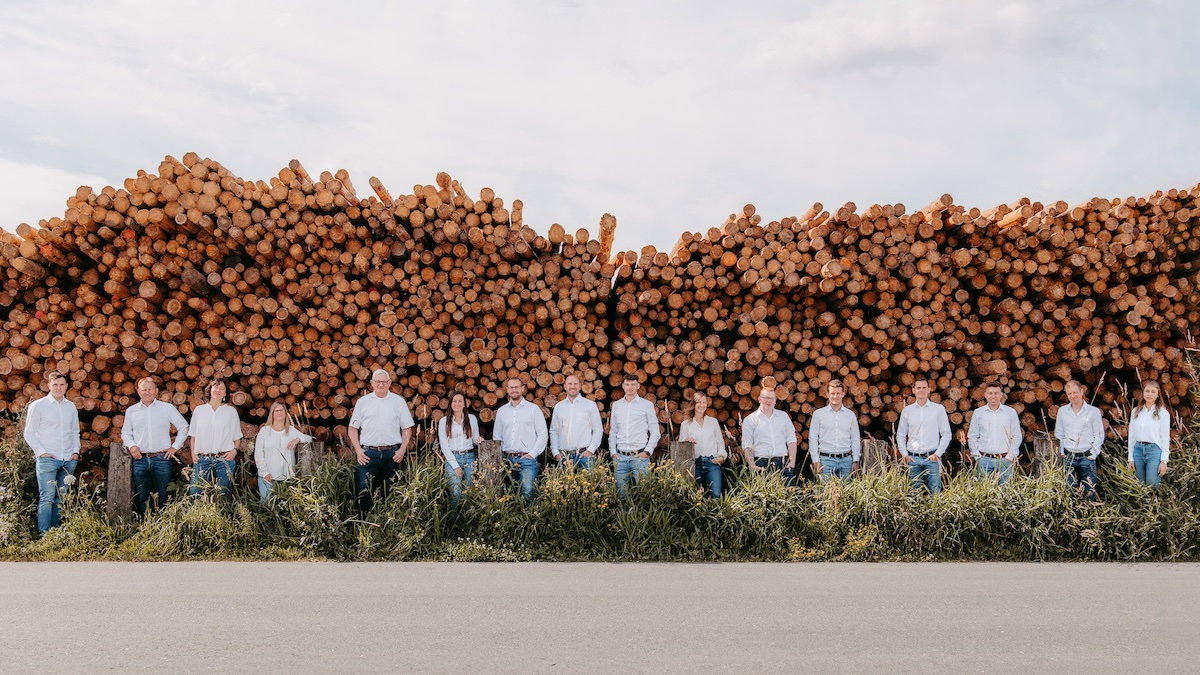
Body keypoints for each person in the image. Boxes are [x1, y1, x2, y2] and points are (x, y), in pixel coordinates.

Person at [348, 369, 416, 513]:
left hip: (392, 454)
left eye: (384, 382)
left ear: (389, 383)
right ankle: (363, 528)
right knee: (363, 491)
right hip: (367, 455)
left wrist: (402, 449)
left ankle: (388, 528)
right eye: (377, 382)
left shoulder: (398, 402)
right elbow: (352, 428)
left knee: (390, 492)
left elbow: (407, 428)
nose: (381, 385)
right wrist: (358, 450)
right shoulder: (363, 402)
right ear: (372, 383)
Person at [24, 370, 80, 534]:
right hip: (48, 459)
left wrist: (75, 452)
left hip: (68, 459)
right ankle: (44, 535)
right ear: (49, 386)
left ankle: (56, 534)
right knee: (47, 498)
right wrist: (42, 452)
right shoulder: (39, 406)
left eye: (62, 385)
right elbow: (29, 433)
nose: (58, 388)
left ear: (66, 386)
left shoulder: (70, 407)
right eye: (55, 385)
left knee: (61, 498)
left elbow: (74, 432)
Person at [121, 377, 188, 515]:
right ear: (138, 391)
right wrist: (132, 446)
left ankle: (162, 525)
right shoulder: (131, 411)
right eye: (144, 389)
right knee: (142, 495)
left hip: (161, 458)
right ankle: (146, 525)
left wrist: (175, 447)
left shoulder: (167, 409)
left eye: (150, 389)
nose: (147, 392)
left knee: (162, 494)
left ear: (156, 391)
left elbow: (184, 427)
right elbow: (126, 433)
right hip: (140, 459)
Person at [492, 378, 548, 505]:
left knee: (528, 493)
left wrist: (532, 455)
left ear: (522, 389)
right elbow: (497, 437)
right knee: (509, 494)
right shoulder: (502, 411)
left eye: (517, 387)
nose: (514, 390)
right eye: (511, 387)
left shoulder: (533, 409)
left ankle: (529, 523)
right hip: (507, 460)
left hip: (526, 460)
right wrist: (500, 458)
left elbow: (543, 434)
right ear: (507, 390)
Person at [188, 379, 243, 498]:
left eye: (222, 389)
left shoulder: (231, 412)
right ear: (210, 390)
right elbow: (193, 435)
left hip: (224, 460)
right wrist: (193, 453)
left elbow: (237, 436)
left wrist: (235, 450)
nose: (218, 390)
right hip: (202, 459)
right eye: (215, 387)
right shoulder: (199, 410)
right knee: (195, 494)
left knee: (222, 495)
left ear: (225, 394)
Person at [895, 378, 952, 494]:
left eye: (924, 388)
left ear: (929, 390)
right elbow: (900, 435)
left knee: (935, 493)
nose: (921, 390)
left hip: (932, 457)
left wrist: (938, 454)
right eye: (918, 388)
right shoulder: (907, 411)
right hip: (913, 459)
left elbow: (946, 434)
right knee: (913, 494)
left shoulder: (938, 410)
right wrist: (905, 455)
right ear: (913, 390)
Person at [609, 373, 661, 498]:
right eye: (627, 384)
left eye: (633, 384)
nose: (630, 387)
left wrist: (647, 452)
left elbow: (655, 431)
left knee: (644, 495)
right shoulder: (616, 406)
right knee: (622, 496)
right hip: (620, 457)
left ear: (638, 385)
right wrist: (612, 452)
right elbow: (613, 431)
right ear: (623, 386)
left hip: (640, 457)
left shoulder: (646, 405)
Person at [1054, 379, 1105, 501]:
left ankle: (1090, 515)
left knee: (1090, 491)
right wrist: (1062, 451)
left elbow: (1099, 434)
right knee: (1069, 491)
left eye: (1075, 392)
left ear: (1082, 391)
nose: (1073, 396)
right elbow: (1059, 433)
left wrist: (1093, 453)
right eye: (1070, 393)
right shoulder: (1062, 411)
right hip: (1069, 456)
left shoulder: (1093, 412)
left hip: (1086, 456)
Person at [254, 400, 311, 503]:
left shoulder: (291, 431)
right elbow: (258, 454)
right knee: (266, 508)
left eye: (282, 410)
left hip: (286, 477)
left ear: (285, 413)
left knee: (285, 509)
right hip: (268, 477)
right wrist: (264, 472)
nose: (279, 413)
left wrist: (298, 439)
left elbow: (309, 438)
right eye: (276, 411)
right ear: (272, 413)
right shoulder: (265, 431)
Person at [966, 382, 1022, 485]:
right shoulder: (979, 413)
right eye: (990, 393)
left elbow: (1017, 436)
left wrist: (1009, 457)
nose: (993, 396)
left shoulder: (1010, 413)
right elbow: (972, 436)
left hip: (1004, 460)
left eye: (996, 393)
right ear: (985, 395)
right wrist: (977, 456)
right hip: (984, 460)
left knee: (1005, 493)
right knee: (983, 493)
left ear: (1001, 395)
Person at [741, 385, 797, 481]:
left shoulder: (783, 417)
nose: (769, 401)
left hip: (783, 462)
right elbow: (747, 444)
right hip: (761, 463)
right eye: (765, 398)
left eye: (772, 398)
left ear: (775, 400)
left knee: (786, 495)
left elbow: (791, 439)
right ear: (759, 399)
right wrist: (752, 465)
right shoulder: (750, 420)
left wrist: (792, 462)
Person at [808, 379, 861, 481]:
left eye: (838, 393)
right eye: (832, 393)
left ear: (843, 394)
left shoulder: (850, 415)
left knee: (846, 493)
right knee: (826, 493)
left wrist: (855, 460)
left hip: (846, 460)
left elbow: (855, 438)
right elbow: (813, 437)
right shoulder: (819, 414)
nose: (835, 396)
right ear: (827, 394)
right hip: (825, 460)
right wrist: (815, 460)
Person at [549, 374, 603, 470]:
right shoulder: (559, 407)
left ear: (580, 386)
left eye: (575, 384)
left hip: (584, 456)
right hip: (564, 456)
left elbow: (598, 429)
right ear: (565, 386)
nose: (572, 386)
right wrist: (555, 452)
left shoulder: (590, 405)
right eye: (570, 384)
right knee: (565, 484)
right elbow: (554, 431)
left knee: (588, 484)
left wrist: (590, 450)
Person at [679, 391, 727, 498]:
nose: (702, 405)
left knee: (716, 494)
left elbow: (720, 442)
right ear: (693, 405)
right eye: (699, 402)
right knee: (693, 496)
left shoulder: (713, 422)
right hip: (694, 464)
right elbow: (681, 448)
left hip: (712, 462)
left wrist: (721, 456)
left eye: (704, 402)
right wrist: (687, 441)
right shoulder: (686, 424)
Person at [438, 391, 482, 505]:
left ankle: (466, 521)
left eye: (460, 401)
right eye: (454, 401)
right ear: (450, 403)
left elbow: (474, 438)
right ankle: (453, 521)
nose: (457, 403)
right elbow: (444, 446)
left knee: (468, 492)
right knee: (455, 492)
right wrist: (456, 467)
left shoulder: (471, 419)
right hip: (453, 458)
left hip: (469, 458)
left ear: (464, 404)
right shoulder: (444, 422)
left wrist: (479, 440)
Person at [1127, 380, 1170, 487]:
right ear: (1143, 393)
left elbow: (1165, 437)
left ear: (1158, 394)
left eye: (1153, 392)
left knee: (1151, 485)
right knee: (1139, 486)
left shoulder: (1163, 414)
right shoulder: (1136, 411)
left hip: (1154, 452)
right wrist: (1130, 457)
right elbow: (1131, 435)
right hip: (1138, 451)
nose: (1149, 394)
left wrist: (1164, 461)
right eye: (1147, 391)